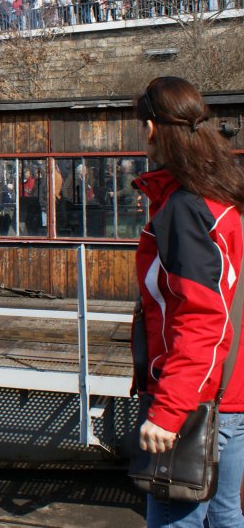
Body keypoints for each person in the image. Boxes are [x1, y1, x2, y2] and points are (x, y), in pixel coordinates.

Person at [132, 76, 244, 527]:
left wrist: (168, 410)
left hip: (197, 401)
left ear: (153, 129)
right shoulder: (223, 197)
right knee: (225, 515)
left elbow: (202, 316)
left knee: (175, 518)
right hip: (229, 391)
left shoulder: (185, 208)